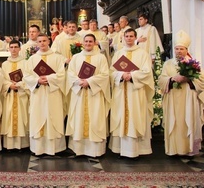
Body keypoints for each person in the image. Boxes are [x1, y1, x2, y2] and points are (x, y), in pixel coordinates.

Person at [109, 28, 154, 158]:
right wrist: (122, 74)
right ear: (123, 38)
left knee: (136, 116)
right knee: (120, 115)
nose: (128, 38)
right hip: (121, 90)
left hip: (136, 91)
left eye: (131, 36)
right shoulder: (118, 54)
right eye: (126, 36)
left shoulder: (142, 53)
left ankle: (138, 149)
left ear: (135, 37)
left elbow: (147, 72)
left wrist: (132, 75)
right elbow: (111, 72)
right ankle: (120, 148)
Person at [159, 30, 204, 157]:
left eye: (181, 49)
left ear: (186, 49)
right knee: (174, 123)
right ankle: (173, 149)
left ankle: (188, 149)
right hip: (173, 98)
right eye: (177, 49)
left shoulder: (193, 64)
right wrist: (172, 79)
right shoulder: (168, 64)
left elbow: (202, 82)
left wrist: (188, 79)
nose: (178, 51)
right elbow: (161, 80)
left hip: (188, 98)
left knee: (187, 121)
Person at [65, 34, 110, 157]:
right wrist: (80, 82)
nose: (88, 43)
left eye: (91, 41)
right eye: (86, 41)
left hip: (94, 94)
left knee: (95, 119)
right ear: (82, 43)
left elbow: (105, 75)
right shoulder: (76, 57)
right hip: (79, 93)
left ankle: (95, 150)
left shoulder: (101, 58)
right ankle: (78, 149)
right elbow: (70, 73)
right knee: (79, 118)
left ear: (95, 43)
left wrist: (89, 82)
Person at [24, 33, 66, 155]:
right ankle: (39, 148)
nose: (42, 43)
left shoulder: (57, 58)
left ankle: (55, 148)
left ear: (49, 42)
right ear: (37, 44)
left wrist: (48, 79)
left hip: (53, 93)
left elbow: (62, 75)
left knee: (54, 116)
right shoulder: (32, 59)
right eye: (40, 41)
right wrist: (37, 80)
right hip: (38, 93)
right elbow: (27, 76)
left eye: (44, 41)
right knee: (38, 116)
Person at [1, 40, 30, 150]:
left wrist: (20, 84)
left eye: (15, 47)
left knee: (22, 117)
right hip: (9, 95)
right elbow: (2, 79)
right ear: (8, 49)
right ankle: (9, 145)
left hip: (21, 94)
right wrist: (9, 85)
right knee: (9, 118)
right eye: (11, 47)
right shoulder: (4, 64)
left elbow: (28, 78)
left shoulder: (25, 63)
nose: (13, 49)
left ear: (19, 49)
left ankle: (23, 144)